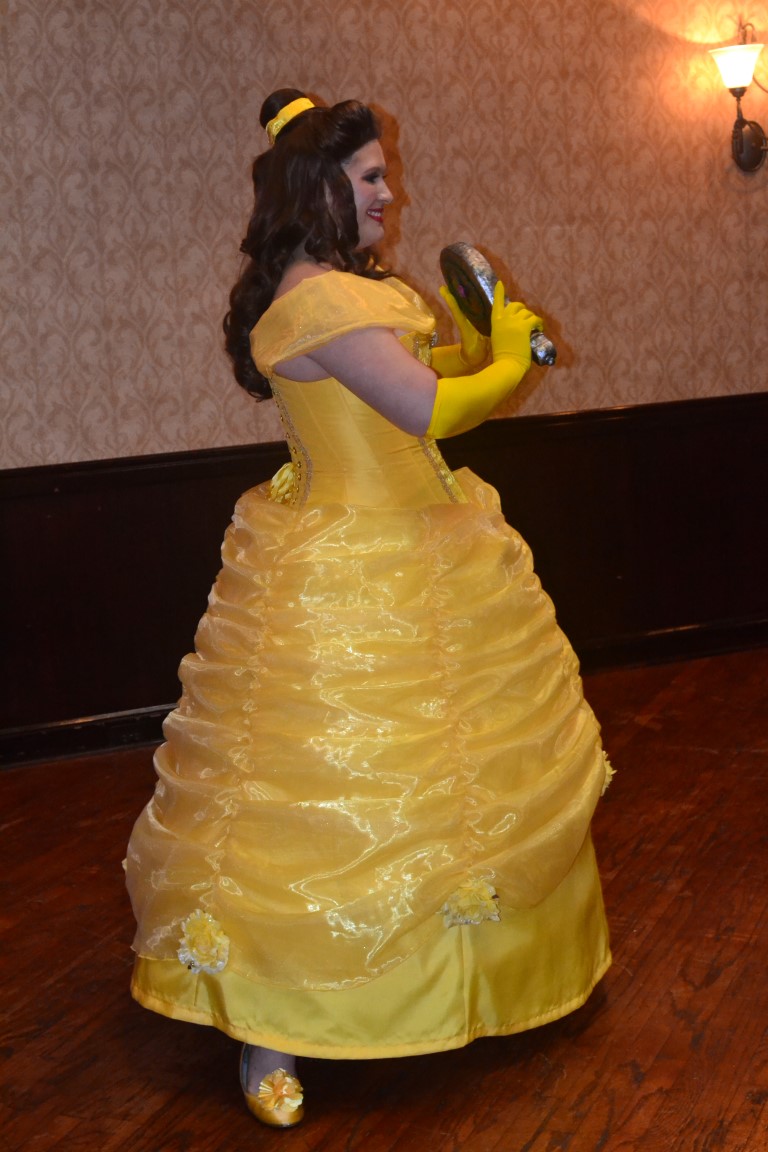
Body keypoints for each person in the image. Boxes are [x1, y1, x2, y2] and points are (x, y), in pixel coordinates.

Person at [125, 88, 613, 1130]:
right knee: (320, 809)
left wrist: (484, 345)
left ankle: (470, 985)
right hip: (353, 561)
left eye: (386, 173)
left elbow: (418, 380)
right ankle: (272, 1030)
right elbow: (428, 408)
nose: (392, 193)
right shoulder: (318, 303)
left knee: (453, 779)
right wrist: (507, 356)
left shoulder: (354, 293)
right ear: (320, 187)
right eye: (373, 177)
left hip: (417, 543)